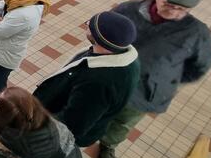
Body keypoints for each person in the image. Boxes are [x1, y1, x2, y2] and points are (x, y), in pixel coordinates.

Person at [97, 0, 211, 158]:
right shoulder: (128, 9)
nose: (173, 11)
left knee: (123, 122)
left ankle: (108, 144)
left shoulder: (197, 32)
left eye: (181, 9)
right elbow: (102, 32)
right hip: (107, 77)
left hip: (145, 91)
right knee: (93, 107)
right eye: (168, 4)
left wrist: (164, 78)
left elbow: (199, 66)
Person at [33, 11, 140, 147]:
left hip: (54, 131)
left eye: (90, 25)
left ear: (98, 38)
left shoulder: (99, 82)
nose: (86, 24)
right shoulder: (121, 55)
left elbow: (72, 125)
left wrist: (33, 123)